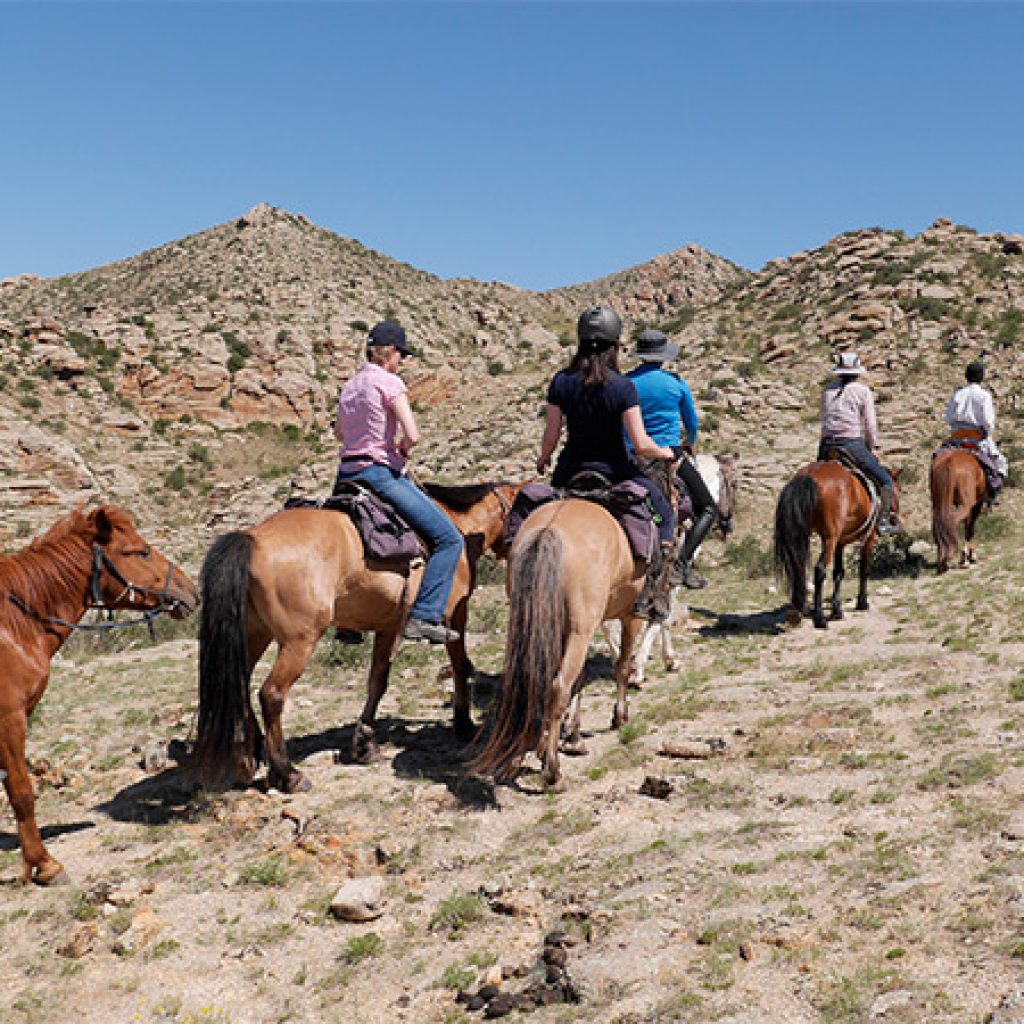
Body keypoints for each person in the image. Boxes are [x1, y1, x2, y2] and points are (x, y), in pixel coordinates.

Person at [537, 305, 677, 620]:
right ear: (615, 344)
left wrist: (544, 459)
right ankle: (652, 593)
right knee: (664, 515)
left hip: (568, 472)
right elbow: (640, 443)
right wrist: (665, 453)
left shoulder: (561, 381)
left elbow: (551, 435)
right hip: (614, 471)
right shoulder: (622, 386)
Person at [333, 320, 464, 644]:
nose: (401, 361)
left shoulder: (350, 386)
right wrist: (402, 448)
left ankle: (347, 622)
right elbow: (414, 434)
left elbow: (339, 433)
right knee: (449, 539)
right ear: (390, 353)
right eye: (401, 355)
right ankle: (425, 615)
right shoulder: (390, 382)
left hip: (344, 475)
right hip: (379, 474)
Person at [626, 328, 717, 589]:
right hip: (668, 455)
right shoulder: (675, 383)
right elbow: (691, 423)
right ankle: (681, 565)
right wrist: (691, 441)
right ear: (663, 356)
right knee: (708, 508)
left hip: (631, 455)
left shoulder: (627, 382)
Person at [818, 351, 899, 535]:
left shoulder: (828, 390)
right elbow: (870, 425)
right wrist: (872, 448)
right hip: (851, 444)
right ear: (857, 372)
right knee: (885, 480)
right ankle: (884, 521)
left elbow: (824, 419)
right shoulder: (863, 391)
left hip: (827, 445)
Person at [945, 360, 1008, 503]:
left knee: (937, 455)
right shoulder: (984, 396)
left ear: (966, 376)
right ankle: (993, 494)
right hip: (977, 438)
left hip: (957, 437)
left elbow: (948, 419)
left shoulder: (957, 394)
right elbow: (988, 421)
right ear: (982, 377)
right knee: (1001, 463)